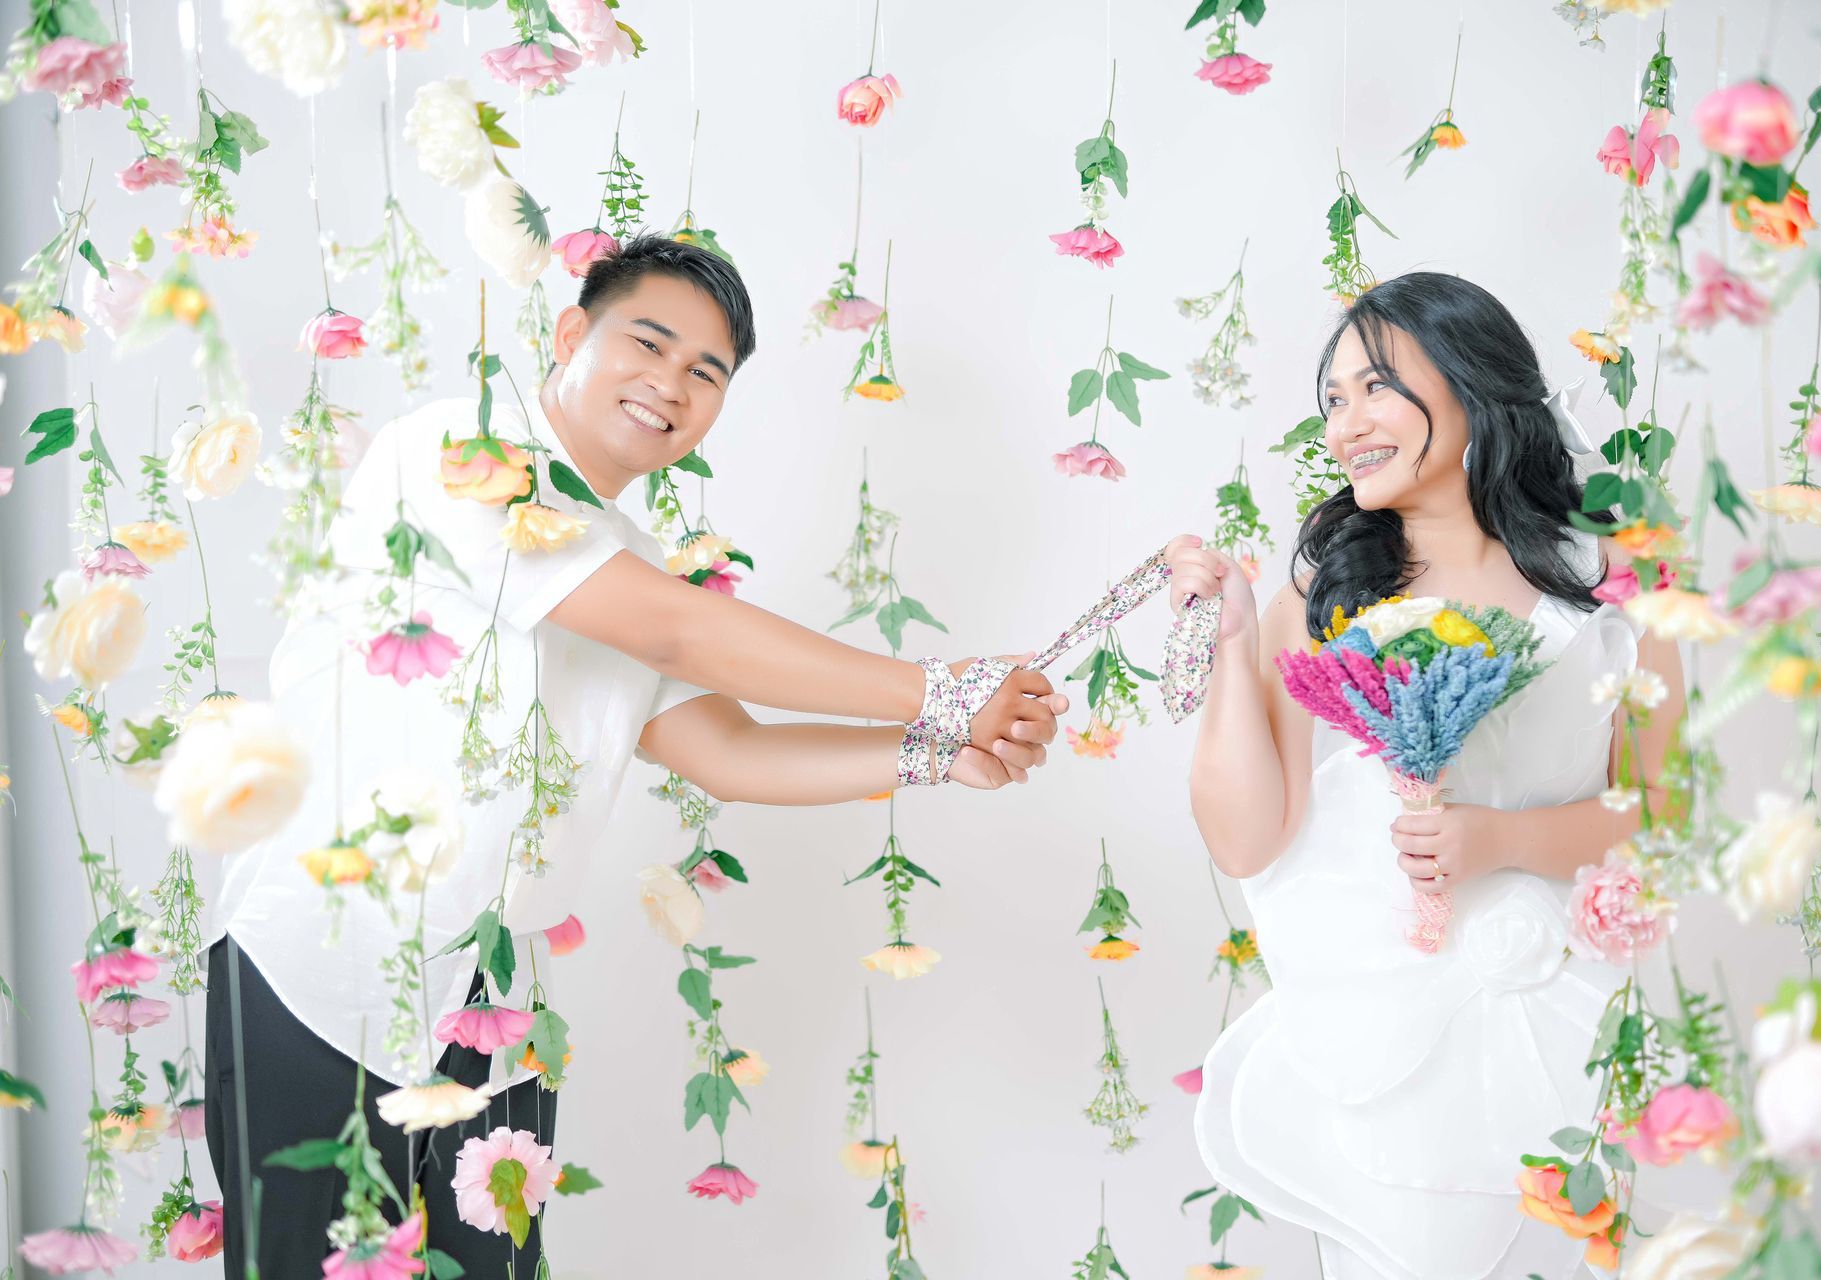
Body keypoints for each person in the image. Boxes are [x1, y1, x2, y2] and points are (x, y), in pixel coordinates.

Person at [202, 234, 1067, 1276]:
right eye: (649, 344)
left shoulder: (630, 559)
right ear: (571, 333)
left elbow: (730, 750)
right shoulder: (455, 454)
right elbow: (676, 633)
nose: (671, 383)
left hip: (492, 1003)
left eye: (707, 372)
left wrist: (935, 751)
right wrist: (942, 691)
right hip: (319, 966)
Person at [1164, 273, 1685, 1279]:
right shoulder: (1324, 596)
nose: (1346, 424)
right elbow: (1246, 839)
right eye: (1333, 399)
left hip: (1560, 1011)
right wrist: (1233, 643)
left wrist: (1505, 840)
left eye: (1376, 387)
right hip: (1385, 1027)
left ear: (1473, 381)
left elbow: (1662, 807)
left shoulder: (1615, 584)